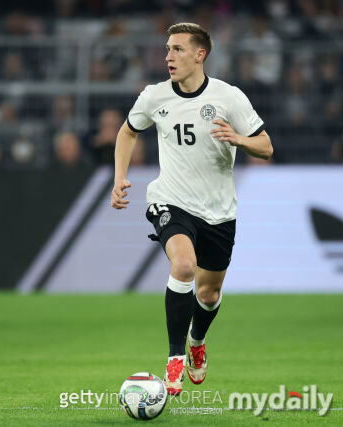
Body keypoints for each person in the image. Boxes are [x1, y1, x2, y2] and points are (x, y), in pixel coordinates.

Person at [110, 23, 272, 395]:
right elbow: (128, 131)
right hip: (171, 200)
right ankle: (174, 356)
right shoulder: (154, 96)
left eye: (178, 49)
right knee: (183, 265)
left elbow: (266, 147)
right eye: (167, 49)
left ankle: (197, 340)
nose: (168, 56)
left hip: (218, 211)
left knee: (209, 294)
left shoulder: (228, 97)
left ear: (200, 55)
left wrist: (238, 139)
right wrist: (119, 177)